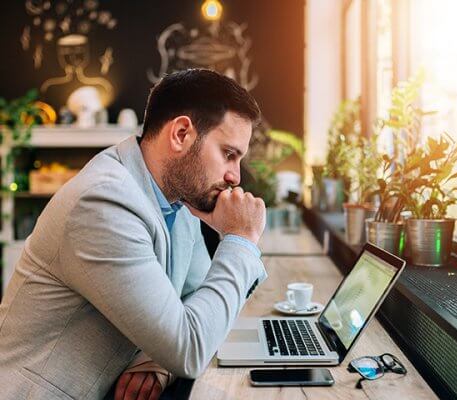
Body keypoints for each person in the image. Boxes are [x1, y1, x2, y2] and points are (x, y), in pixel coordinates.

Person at [0, 69, 267, 400]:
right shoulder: (103, 202)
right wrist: (239, 240)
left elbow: (195, 295)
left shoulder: (176, 199)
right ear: (182, 133)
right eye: (229, 154)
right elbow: (191, 348)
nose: (235, 176)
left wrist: (159, 359)